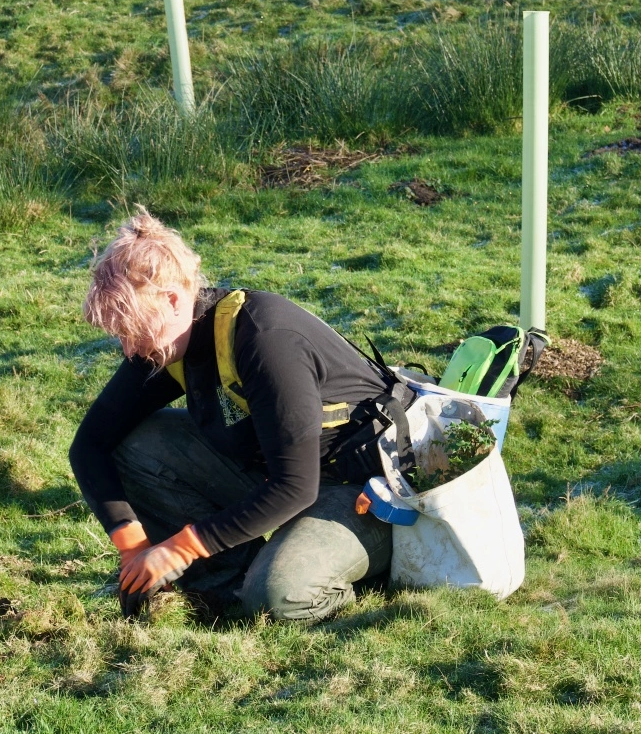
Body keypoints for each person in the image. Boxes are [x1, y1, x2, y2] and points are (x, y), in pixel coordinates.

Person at [68, 208, 400, 622]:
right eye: (120, 334)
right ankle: (227, 584)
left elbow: (296, 487)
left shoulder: (264, 340)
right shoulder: (167, 341)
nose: (129, 350)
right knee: (136, 443)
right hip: (277, 475)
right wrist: (132, 544)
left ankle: (333, 574)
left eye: (132, 330)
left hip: (366, 492)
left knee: (278, 595)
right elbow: (90, 444)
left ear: (172, 300)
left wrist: (180, 546)